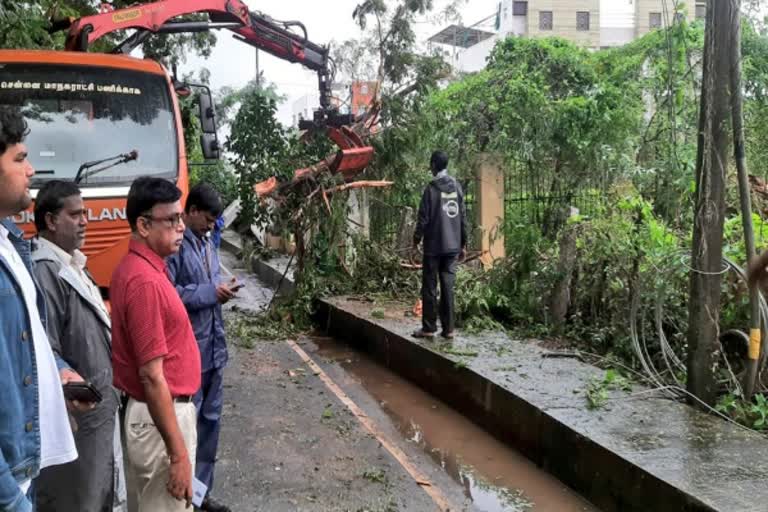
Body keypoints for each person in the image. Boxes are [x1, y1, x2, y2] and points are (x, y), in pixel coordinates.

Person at [0, 106, 82, 511]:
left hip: (24, 469)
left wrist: (57, 368)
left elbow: (24, 338)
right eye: (19, 158)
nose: (31, 170)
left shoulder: (11, 242)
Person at [31, 180, 127, 512]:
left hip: (97, 419)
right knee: (77, 498)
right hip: (77, 423)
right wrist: (75, 389)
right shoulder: (47, 272)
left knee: (99, 493)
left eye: (85, 213)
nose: (85, 221)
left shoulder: (72, 265)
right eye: (75, 214)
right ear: (50, 221)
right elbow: (46, 352)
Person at [111, 177, 201, 512]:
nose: (181, 227)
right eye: (172, 220)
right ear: (143, 225)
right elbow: (151, 375)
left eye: (181, 218)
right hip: (161, 421)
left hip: (155, 419)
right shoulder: (144, 281)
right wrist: (177, 455)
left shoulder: (144, 268)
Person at [167, 183, 237, 512]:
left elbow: (208, 289)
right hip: (190, 354)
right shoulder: (175, 247)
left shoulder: (208, 244)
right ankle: (182, 495)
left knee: (210, 426)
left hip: (214, 352)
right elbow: (171, 297)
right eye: (208, 220)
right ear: (191, 211)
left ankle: (200, 496)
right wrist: (211, 292)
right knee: (187, 430)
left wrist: (221, 291)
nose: (211, 226)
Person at [412, 150, 467, 340]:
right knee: (448, 286)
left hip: (434, 247)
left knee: (429, 286)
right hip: (452, 246)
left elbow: (423, 218)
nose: (430, 167)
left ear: (435, 165)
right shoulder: (457, 187)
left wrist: (416, 239)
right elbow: (462, 217)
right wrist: (463, 243)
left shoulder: (431, 189)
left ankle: (429, 328)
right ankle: (449, 329)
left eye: (430, 164)